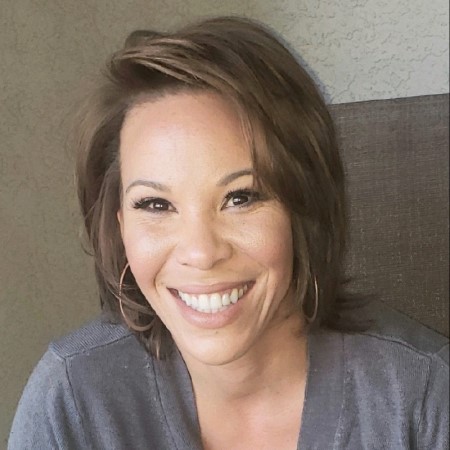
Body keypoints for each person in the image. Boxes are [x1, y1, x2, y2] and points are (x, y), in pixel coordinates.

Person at [8, 16, 448, 450]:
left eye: (241, 198)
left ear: (304, 208)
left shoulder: (423, 397)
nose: (201, 252)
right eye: (156, 205)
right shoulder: (72, 400)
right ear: (120, 226)